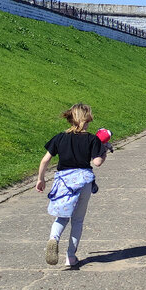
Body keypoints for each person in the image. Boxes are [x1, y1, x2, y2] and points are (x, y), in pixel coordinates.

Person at [36, 103, 105, 268]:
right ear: (86, 119)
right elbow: (97, 162)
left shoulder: (60, 137)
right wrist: (104, 151)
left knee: (62, 216)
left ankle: (53, 238)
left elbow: (45, 160)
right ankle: (70, 257)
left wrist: (41, 179)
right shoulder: (92, 139)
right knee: (78, 220)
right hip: (83, 182)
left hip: (64, 182)